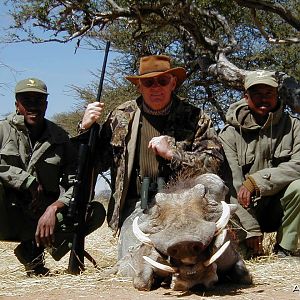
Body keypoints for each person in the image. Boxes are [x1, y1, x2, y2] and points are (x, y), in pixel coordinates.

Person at [79, 54, 223, 258]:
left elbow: (214, 164)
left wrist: (173, 154)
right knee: (132, 263)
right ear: (139, 86)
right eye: (148, 82)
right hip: (138, 205)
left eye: (162, 81)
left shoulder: (196, 117)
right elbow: (95, 162)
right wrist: (85, 128)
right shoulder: (120, 116)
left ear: (173, 83)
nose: (156, 87)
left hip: (185, 204)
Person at [0, 78, 105, 276]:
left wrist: (54, 207)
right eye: (26, 100)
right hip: (6, 215)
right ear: (16, 104)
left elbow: (77, 181)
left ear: (46, 105)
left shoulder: (59, 137)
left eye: (38, 101)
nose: (33, 106)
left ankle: (32, 252)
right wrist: (27, 181)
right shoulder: (2, 130)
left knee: (94, 211)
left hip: (39, 217)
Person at [219, 70, 300, 258]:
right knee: (239, 260)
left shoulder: (294, 126)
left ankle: (285, 249)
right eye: (256, 94)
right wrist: (250, 230)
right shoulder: (229, 133)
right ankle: (248, 242)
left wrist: (257, 181)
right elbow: (233, 185)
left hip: (278, 207)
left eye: (268, 93)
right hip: (244, 211)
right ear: (246, 97)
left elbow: (298, 165)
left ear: (277, 95)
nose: (263, 99)